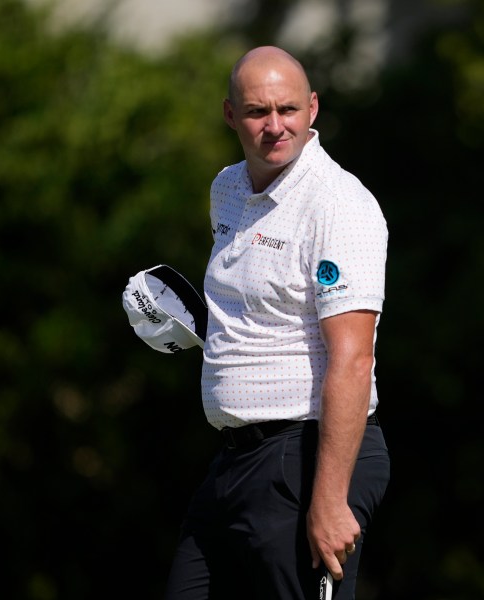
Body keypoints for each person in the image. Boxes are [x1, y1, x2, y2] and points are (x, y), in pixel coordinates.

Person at [164, 46, 390, 600]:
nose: (274, 126)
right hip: (234, 460)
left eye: (287, 109)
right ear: (229, 114)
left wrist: (329, 499)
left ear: (313, 108)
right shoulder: (228, 188)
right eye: (258, 112)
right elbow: (249, 311)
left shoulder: (340, 204)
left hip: (308, 456)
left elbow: (354, 358)